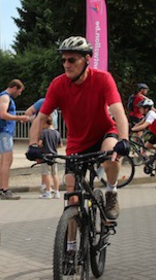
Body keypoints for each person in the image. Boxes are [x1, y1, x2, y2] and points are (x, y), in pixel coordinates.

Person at [26, 36, 130, 221]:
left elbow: (118, 111)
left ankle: (111, 192)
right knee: (72, 197)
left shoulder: (103, 79)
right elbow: (40, 117)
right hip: (77, 143)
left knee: (111, 157)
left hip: (103, 134)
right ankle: (71, 247)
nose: (66, 64)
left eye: (72, 60)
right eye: (64, 60)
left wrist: (124, 140)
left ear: (87, 59)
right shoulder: (58, 84)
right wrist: (33, 145)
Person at [0, 79, 30, 200]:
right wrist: (19, 117)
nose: (19, 94)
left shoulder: (3, 97)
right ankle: (5, 189)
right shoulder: (5, 97)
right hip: (4, 132)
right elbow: (3, 114)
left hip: (4, 132)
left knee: (4, 160)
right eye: (19, 91)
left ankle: (2, 188)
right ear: (14, 88)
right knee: (7, 160)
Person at [130, 98, 156, 188]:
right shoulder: (147, 114)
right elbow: (141, 123)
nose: (139, 110)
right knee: (146, 146)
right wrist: (133, 128)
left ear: (146, 108)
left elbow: (144, 125)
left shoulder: (151, 115)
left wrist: (132, 129)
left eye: (141, 108)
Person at [38, 115, 62, 199]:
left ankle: (48, 192)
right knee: (55, 174)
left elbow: (40, 143)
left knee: (46, 174)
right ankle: (57, 192)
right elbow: (60, 145)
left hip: (46, 155)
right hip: (54, 155)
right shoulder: (57, 133)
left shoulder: (44, 132)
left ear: (45, 123)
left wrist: (40, 146)